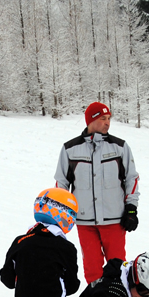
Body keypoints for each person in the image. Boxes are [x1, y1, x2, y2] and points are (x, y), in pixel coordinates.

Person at [55, 101, 140, 284]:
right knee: (92, 269)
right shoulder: (70, 149)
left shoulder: (120, 147)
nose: (107, 122)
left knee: (118, 268)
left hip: (115, 219)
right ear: (90, 121)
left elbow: (131, 179)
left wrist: (131, 208)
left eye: (109, 118)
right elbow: (61, 183)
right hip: (84, 221)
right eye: (103, 119)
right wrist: (61, 212)